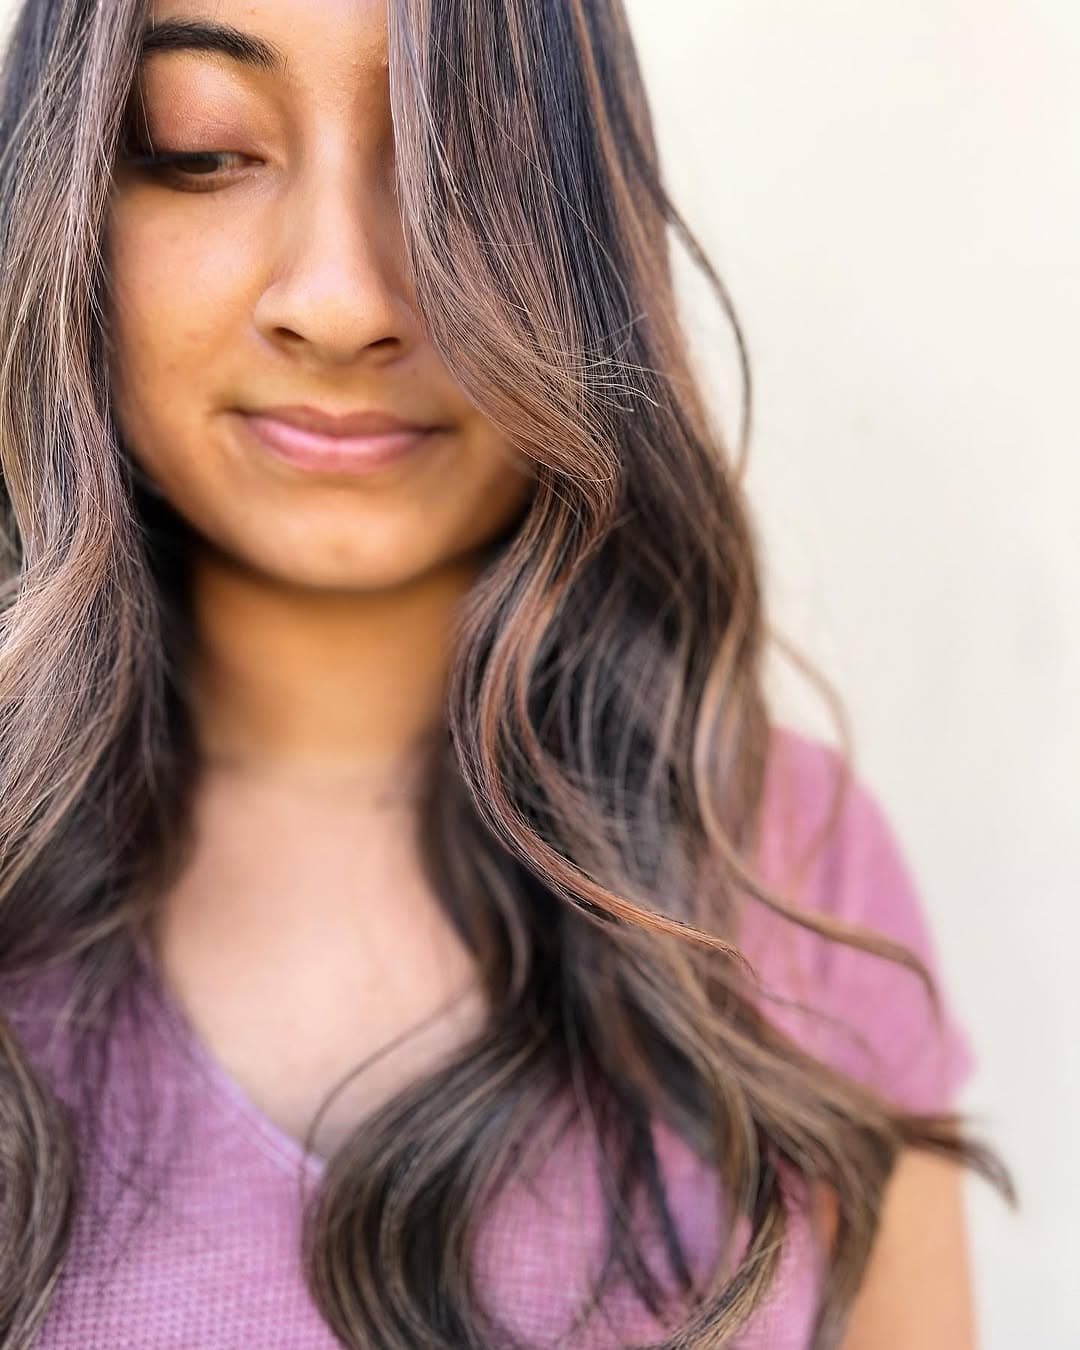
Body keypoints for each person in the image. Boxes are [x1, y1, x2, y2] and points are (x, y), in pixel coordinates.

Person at [0, 1, 1014, 1347]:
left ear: (583, 231)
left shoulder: (789, 861)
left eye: (456, 156)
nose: (343, 299)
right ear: (68, 196)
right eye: (202, 147)